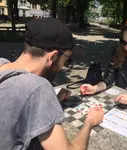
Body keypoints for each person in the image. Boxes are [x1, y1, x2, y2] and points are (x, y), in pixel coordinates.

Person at [0, 18, 104, 150]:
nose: (64, 67)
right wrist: (90, 122)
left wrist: (50, 102)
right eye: (67, 60)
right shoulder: (38, 88)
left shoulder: (2, 64)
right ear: (53, 57)